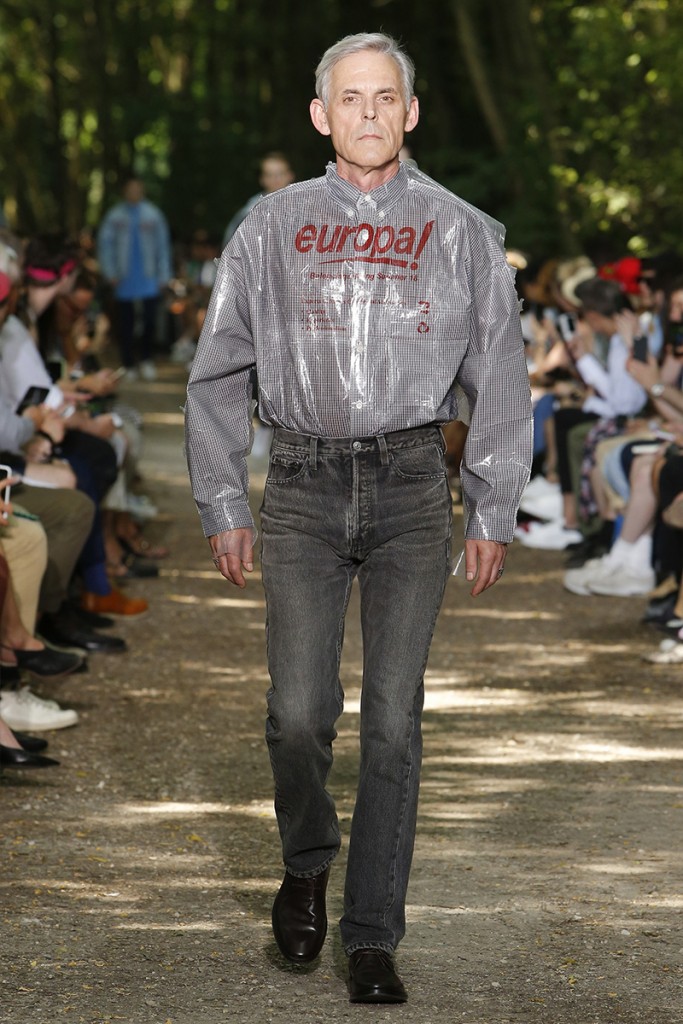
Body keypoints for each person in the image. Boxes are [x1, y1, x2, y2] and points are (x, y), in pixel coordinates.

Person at [185, 32, 532, 1004]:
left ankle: (372, 932)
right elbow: (218, 369)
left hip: (412, 484)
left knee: (391, 720)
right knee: (297, 714)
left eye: (386, 97)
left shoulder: (461, 230)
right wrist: (222, 496)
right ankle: (306, 862)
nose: (369, 113)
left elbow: (499, 375)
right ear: (319, 115)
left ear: (410, 112)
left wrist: (492, 506)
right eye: (350, 97)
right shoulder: (269, 226)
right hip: (300, 481)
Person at [97, 177, 172, 380]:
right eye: (130, 189)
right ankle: (128, 363)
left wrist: (164, 275)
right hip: (124, 279)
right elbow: (105, 245)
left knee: (150, 320)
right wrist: (110, 273)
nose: (134, 193)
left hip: (149, 277)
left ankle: (146, 359)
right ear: (125, 192)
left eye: (137, 189)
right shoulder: (114, 216)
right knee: (125, 322)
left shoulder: (153, 215)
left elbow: (163, 246)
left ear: (142, 191)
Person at [221, 152, 295, 248]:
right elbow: (230, 247)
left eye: (280, 174)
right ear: (262, 179)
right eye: (270, 175)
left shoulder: (304, 207)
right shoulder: (251, 211)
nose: (276, 179)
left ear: (290, 175)